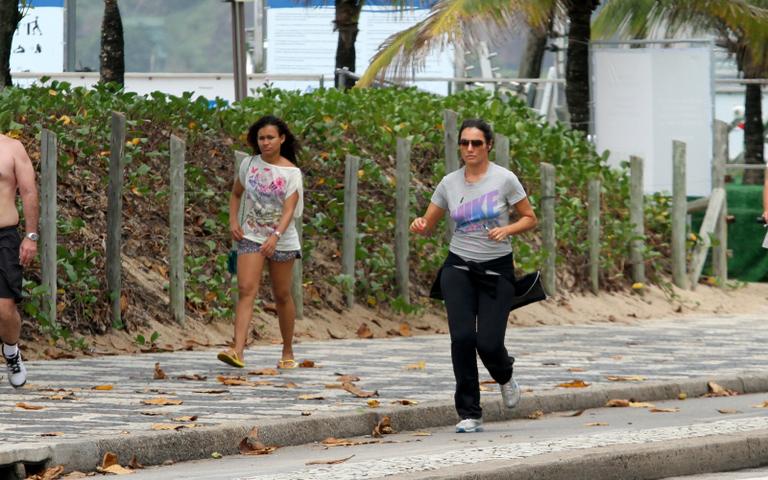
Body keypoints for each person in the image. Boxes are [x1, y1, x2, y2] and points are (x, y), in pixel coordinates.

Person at [410, 119, 538, 433]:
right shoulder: (449, 183)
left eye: (476, 143)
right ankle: (470, 412)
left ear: (488, 146)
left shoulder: (504, 179)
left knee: (489, 343)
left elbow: (529, 218)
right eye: (465, 143)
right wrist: (420, 225)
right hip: (458, 268)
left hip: (496, 270)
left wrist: (507, 229)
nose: (469, 148)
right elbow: (429, 222)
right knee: (463, 339)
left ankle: (505, 375)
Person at [218, 116, 303, 370]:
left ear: (282, 139)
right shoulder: (249, 164)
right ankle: (238, 351)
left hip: (282, 240)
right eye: (261, 138)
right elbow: (236, 193)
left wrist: (275, 236)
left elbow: (289, 210)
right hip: (251, 235)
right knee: (245, 289)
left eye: (270, 138)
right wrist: (234, 220)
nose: (265, 143)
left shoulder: (291, 172)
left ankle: (287, 350)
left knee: (282, 295)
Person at [0, 134, 39, 388]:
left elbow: (28, 191)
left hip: (4, 235)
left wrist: (31, 236)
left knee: (4, 309)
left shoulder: (12, 148)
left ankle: (11, 351)